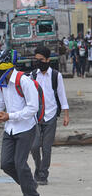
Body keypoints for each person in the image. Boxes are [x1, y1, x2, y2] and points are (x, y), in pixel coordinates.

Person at [0, 49, 42, 196]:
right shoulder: (1, 81)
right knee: (6, 164)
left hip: (25, 128)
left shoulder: (24, 81)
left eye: (0, 64)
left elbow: (33, 108)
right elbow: (1, 101)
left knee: (20, 164)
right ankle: (29, 185)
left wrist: (11, 116)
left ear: (9, 65)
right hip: (10, 129)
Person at [30, 46, 69, 185]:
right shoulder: (33, 75)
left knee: (46, 148)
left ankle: (43, 174)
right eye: (36, 60)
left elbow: (61, 95)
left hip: (51, 115)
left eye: (41, 60)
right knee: (34, 146)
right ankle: (38, 167)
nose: (38, 62)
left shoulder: (55, 75)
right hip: (36, 116)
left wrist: (66, 114)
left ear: (47, 60)